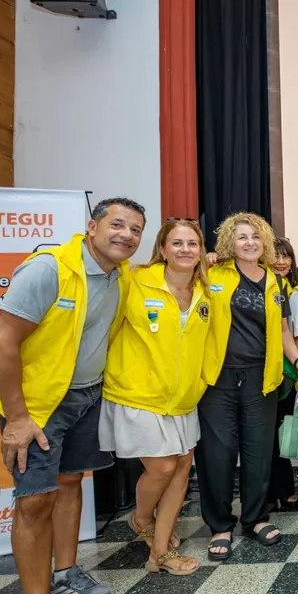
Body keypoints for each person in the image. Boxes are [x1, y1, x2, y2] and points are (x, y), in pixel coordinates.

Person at [0, 197, 145, 594]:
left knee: (71, 483)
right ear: (91, 228)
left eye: (135, 230)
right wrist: (17, 418)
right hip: (39, 406)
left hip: (87, 397)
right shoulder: (48, 270)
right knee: (35, 501)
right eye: (117, 225)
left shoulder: (121, 276)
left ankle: (65, 576)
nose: (127, 235)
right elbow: (1, 342)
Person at [197, 213, 298, 560]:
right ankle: (220, 525)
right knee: (217, 455)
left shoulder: (275, 282)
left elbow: (284, 331)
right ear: (230, 242)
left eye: (256, 237)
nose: (249, 243)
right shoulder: (212, 274)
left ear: (265, 243)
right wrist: (206, 259)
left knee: (259, 453)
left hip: (262, 380)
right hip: (218, 380)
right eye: (242, 237)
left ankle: (256, 518)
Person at [100, 219, 209, 575]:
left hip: (183, 398)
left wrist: (200, 381)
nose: (185, 250)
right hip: (138, 394)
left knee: (181, 468)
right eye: (176, 243)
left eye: (192, 244)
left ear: (201, 251)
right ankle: (143, 518)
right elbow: (109, 329)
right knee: (162, 467)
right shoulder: (134, 280)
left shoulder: (206, 292)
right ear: (162, 248)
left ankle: (159, 553)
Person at [268, 237, 298, 511]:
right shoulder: (264, 288)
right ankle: (271, 492)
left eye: (286, 256)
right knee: (267, 435)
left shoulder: (297, 291)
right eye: (276, 256)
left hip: (292, 372)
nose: (281, 262)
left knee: (285, 431)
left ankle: (285, 488)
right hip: (267, 369)